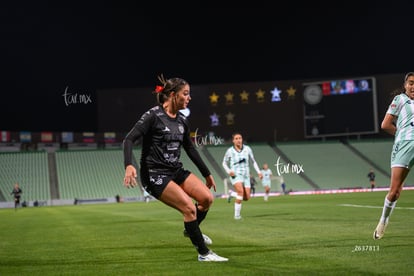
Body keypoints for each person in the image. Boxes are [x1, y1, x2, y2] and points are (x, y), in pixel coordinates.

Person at [123, 75, 228, 262]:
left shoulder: (182, 120)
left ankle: (191, 229)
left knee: (207, 198)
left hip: (175, 170)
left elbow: (190, 148)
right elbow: (128, 139)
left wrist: (207, 174)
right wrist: (129, 165)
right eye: (185, 94)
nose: (189, 98)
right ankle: (204, 254)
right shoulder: (152, 116)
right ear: (172, 95)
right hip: (154, 174)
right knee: (189, 208)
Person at [373, 72, 414, 240]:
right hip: (404, 144)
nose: (413, 86)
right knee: (395, 191)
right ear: (405, 85)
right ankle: (383, 221)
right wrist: (400, 134)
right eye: (411, 83)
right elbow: (385, 124)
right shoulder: (400, 100)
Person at [222, 132, 263, 219]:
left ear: (242, 139)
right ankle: (237, 216)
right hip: (235, 175)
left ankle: (232, 194)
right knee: (240, 192)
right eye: (236, 139)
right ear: (233, 141)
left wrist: (259, 172)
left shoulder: (247, 149)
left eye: (240, 138)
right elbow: (224, 163)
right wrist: (229, 171)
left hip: (246, 175)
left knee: (247, 197)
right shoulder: (230, 151)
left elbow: (253, 161)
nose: (238, 140)